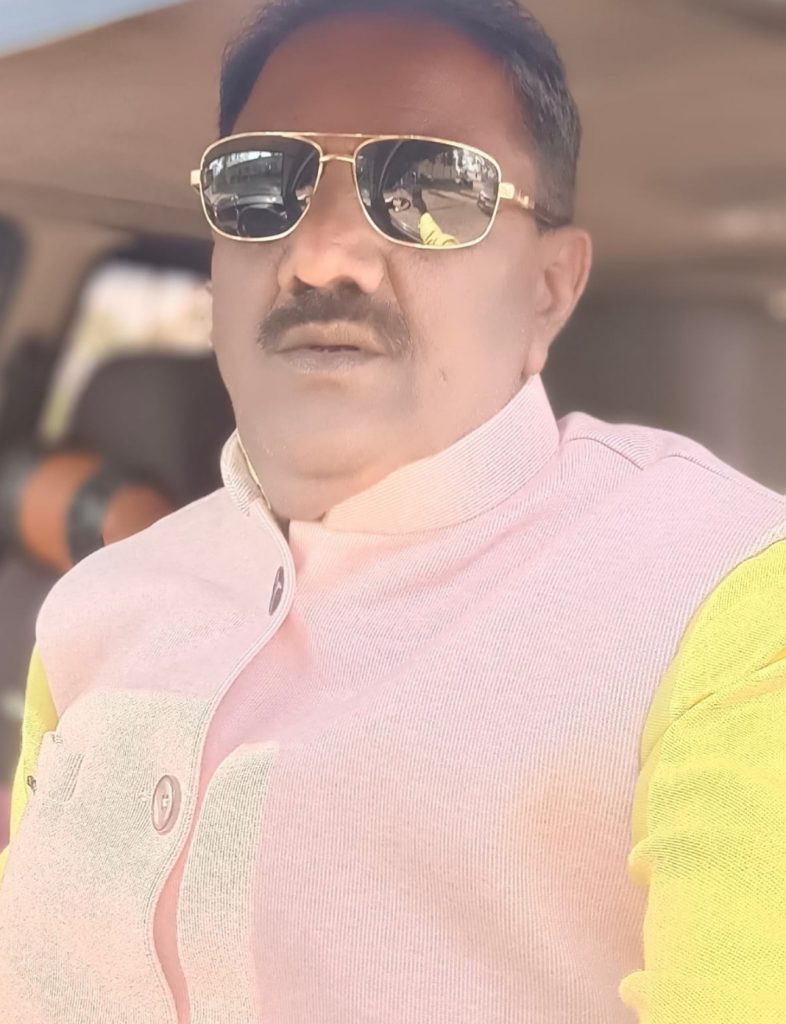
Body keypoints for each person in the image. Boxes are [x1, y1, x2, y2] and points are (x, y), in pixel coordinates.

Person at [1, 1, 784, 1021]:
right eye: (259, 184)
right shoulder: (95, 610)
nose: (323, 256)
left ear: (549, 289)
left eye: (429, 187)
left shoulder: (727, 604)